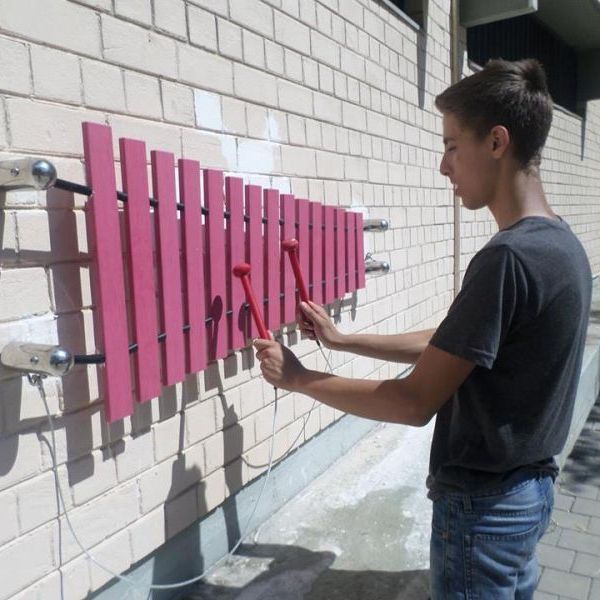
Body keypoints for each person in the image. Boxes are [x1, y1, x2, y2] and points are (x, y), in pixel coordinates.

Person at [253, 58, 592, 599]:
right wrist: (344, 340)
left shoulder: (508, 258)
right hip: (528, 495)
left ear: (497, 142)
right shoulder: (560, 243)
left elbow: (413, 402)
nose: (443, 165)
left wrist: (299, 378)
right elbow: (459, 342)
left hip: (483, 512)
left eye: (453, 144)